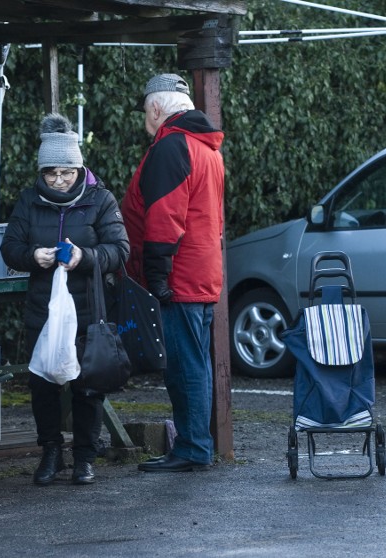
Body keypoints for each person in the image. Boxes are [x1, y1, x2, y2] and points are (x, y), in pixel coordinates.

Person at [0, 113, 129, 486]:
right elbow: (10, 247)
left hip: (88, 306)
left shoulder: (100, 199)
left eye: (66, 173)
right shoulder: (28, 201)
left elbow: (120, 249)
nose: (59, 180)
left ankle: (85, 457)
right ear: (41, 173)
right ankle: (51, 452)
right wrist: (32, 256)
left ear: (79, 168)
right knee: (44, 385)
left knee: (87, 385)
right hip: (44, 308)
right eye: (51, 173)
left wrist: (83, 258)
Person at [121, 73, 226, 472]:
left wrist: (157, 278)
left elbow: (164, 219)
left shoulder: (171, 146)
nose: (145, 122)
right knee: (194, 365)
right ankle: (195, 444)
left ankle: (193, 448)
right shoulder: (206, 148)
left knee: (184, 369)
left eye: (145, 113)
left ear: (155, 108)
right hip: (199, 273)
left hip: (179, 279)